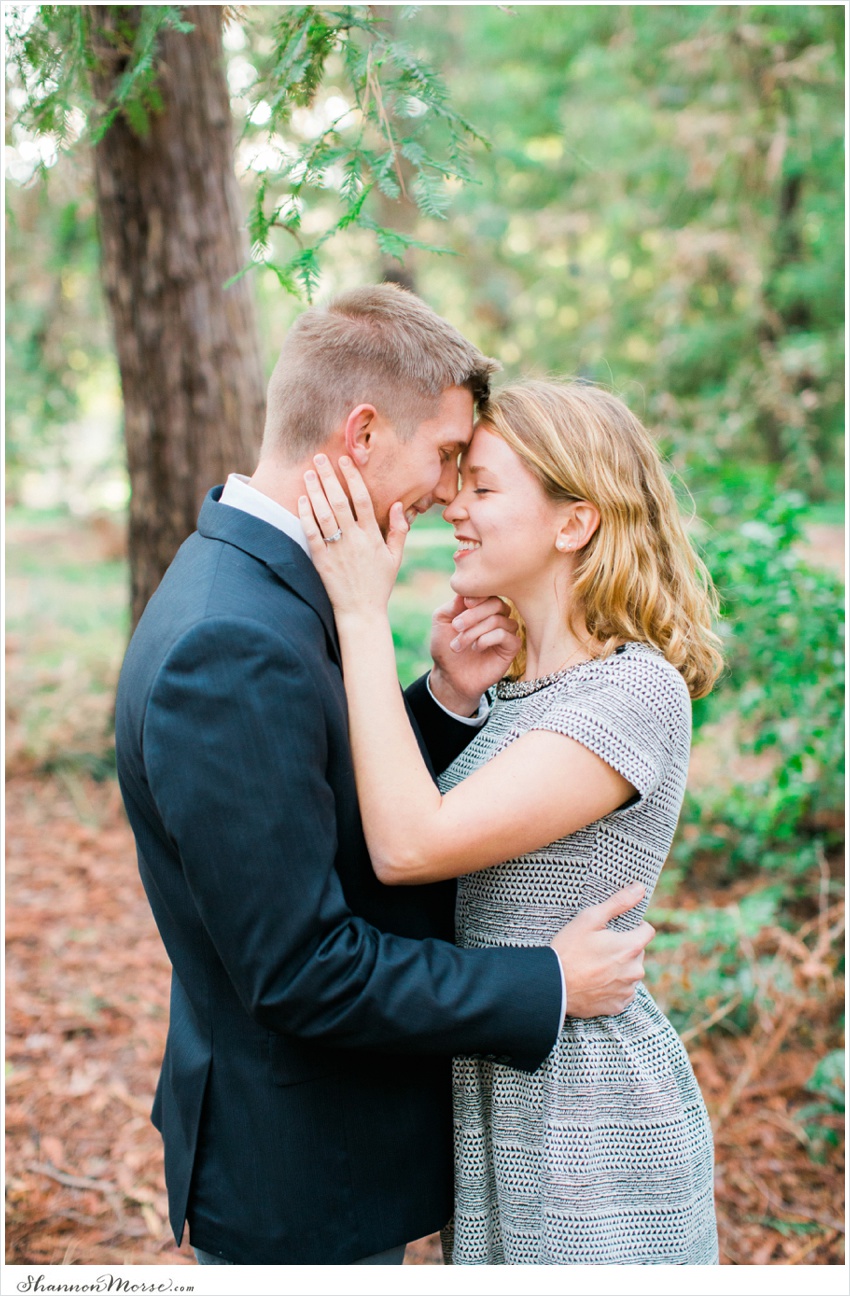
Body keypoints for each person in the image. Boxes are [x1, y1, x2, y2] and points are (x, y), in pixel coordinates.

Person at [114, 288, 653, 1266]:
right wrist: (543, 983)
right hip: (301, 1180)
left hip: (327, 1154)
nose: (448, 497)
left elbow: (306, 795)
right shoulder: (232, 641)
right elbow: (301, 970)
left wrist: (441, 703)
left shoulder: (249, 590)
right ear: (361, 434)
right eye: (449, 457)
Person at [299, 377, 724, 1265]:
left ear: (574, 523)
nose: (453, 504)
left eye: (484, 487)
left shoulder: (633, 692)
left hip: (591, 1115)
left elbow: (411, 845)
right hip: (499, 1085)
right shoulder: (518, 693)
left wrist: (361, 613)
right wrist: (453, 689)